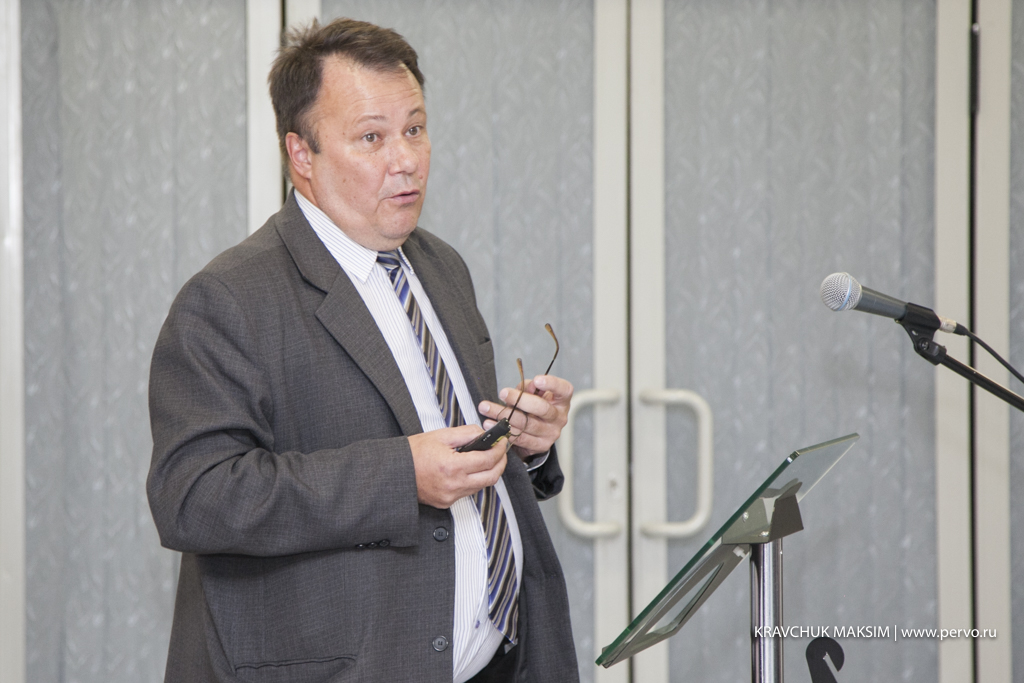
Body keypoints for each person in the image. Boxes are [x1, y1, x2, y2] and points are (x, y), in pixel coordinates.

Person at [146, 17, 579, 683]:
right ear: (302, 155)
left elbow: (451, 445)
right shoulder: (229, 299)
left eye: (415, 128)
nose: (406, 159)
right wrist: (401, 475)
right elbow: (194, 497)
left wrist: (524, 443)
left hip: (498, 661)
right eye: (372, 137)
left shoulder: (441, 266)